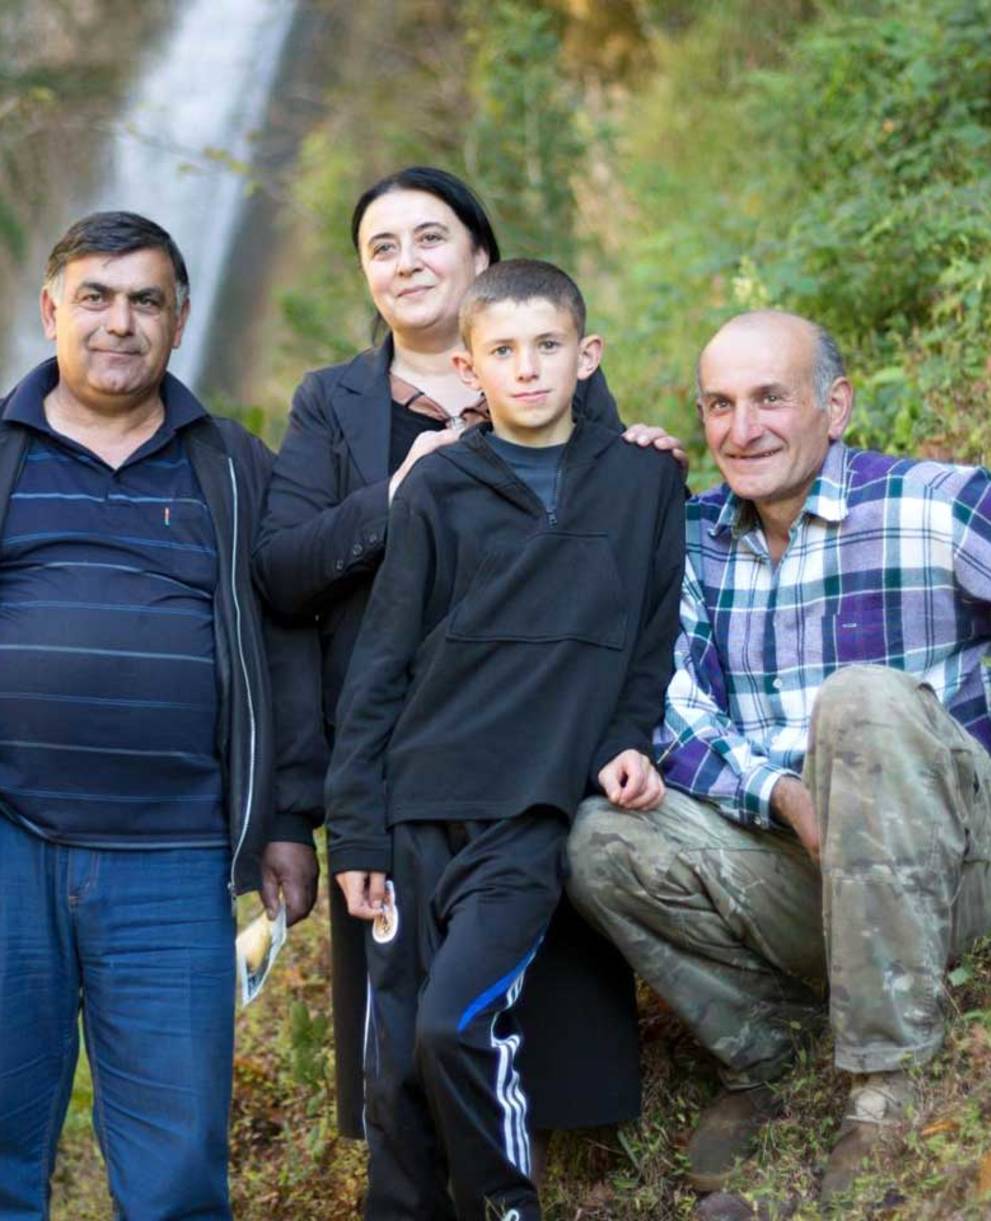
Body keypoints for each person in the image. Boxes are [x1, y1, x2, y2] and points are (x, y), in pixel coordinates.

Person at [254, 165, 684, 1143]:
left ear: (480, 254)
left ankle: (562, 1154)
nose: (407, 261)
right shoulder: (332, 404)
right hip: (395, 743)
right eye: (382, 246)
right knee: (408, 1004)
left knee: (546, 960)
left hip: (540, 732)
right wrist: (395, 493)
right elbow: (281, 570)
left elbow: (613, 542)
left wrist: (648, 465)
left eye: (430, 237)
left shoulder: (551, 368)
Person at [567, 308, 991, 1208]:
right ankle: (776, 1047)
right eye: (718, 404)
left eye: (769, 397)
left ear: (832, 405)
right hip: (809, 870)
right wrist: (786, 795)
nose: (741, 427)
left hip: (956, 867)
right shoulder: (689, 542)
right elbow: (665, 706)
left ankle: (887, 1079)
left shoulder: (934, 506)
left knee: (862, 700)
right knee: (601, 835)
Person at [0, 211, 326, 1218]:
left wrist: (284, 818)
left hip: (174, 859)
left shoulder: (230, 465)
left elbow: (288, 641)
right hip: (6, 845)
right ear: (52, 309)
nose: (119, 321)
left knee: (179, 1168)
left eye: (146, 300)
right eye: (95, 296)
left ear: (180, 320)